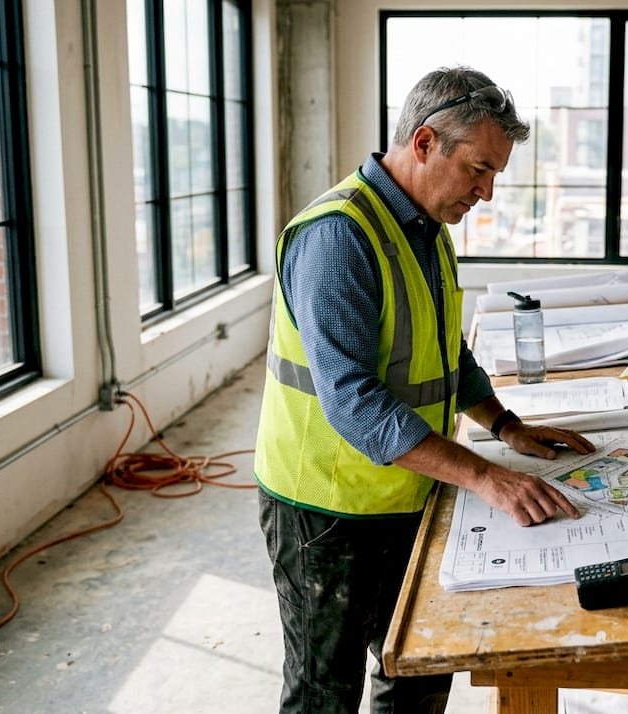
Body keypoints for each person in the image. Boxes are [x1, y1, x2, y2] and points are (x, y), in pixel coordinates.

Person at [253, 65, 596, 714]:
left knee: (416, 669)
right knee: (324, 692)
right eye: (478, 169)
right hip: (324, 510)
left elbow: (444, 350)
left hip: (407, 491)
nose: (488, 192)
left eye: (495, 173)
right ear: (424, 143)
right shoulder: (338, 237)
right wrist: (485, 477)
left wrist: (505, 426)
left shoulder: (426, 228)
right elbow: (355, 402)